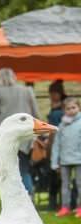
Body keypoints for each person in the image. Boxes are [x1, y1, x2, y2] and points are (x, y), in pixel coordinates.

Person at [0, 68, 39, 196]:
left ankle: (14, 197)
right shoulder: (27, 90)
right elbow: (36, 114)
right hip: (25, 137)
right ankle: (28, 196)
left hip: (6, 138)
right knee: (24, 169)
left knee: (8, 170)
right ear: (14, 77)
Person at [50, 97, 81, 218]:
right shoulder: (61, 126)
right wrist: (54, 162)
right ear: (64, 110)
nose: (71, 110)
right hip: (64, 160)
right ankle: (65, 207)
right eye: (68, 108)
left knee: (80, 184)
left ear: (78, 107)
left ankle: (80, 208)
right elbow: (56, 145)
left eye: (74, 107)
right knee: (65, 185)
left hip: (79, 160)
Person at [46, 80, 68, 210]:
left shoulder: (56, 112)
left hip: (57, 146)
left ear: (58, 93)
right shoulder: (65, 107)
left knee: (54, 176)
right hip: (67, 146)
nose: (51, 96)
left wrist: (49, 148)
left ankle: (53, 204)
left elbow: (53, 131)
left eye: (53, 94)